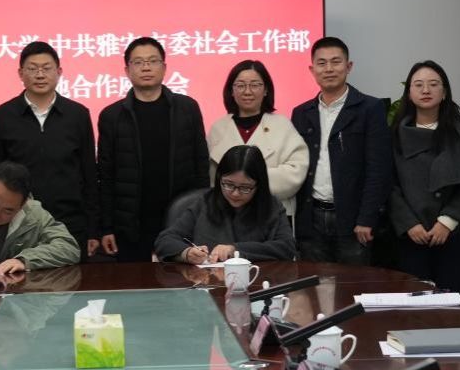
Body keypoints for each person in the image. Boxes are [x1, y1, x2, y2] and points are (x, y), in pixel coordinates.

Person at [98, 36, 209, 262]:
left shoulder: (187, 108)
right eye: (138, 62)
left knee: (181, 281)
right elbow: (106, 176)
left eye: (152, 61)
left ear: (164, 67)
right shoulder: (112, 116)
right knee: (133, 281)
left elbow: (201, 166)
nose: (146, 67)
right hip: (130, 223)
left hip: (180, 220)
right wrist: (106, 227)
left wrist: (202, 217)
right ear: (127, 70)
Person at [0, 41, 98, 261]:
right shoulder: (2, 116)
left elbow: (89, 174)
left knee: (73, 281)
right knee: (18, 279)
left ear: (59, 72)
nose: (40, 75)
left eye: (46, 68)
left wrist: (93, 228)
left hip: (70, 222)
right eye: (32, 68)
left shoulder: (77, 114)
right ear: (21, 73)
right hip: (19, 223)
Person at [290, 36, 391, 264]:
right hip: (312, 220)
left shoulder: (370, 108)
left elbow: (379, 169)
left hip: (353, 220)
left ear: (349, 66)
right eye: (322, 63)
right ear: (312, 69)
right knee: (314, 283)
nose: (329, 69)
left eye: (336, 62)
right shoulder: (301, 112)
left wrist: (367, 218)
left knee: (353, 283)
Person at [389, 61, 460, 297]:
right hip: (411, 236)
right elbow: (388, 185)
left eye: (433, 84)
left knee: (452, 304)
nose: (426, 90)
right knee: (414, 307)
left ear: (444, 92)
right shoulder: (394, 134)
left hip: (455, 233)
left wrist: (447, 221)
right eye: (418, 85)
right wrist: (409, 224)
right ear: (409, 93)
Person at [154, 144, 296, 262]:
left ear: (259, 185)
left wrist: (236, 250)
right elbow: (165, 240)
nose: (235, 193)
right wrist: (186, 253)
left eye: (245, 188)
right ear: (218, 179)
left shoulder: (271, 206)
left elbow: (287, 247)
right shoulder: (204, 202)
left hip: (255, 281)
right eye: (228, 184)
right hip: (205, 282)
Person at [206, 59, 308, 216]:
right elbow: (210, 177)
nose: (247, 92)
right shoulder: (218, 128)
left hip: (271, 213)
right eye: (240, 85)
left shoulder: (282, 125)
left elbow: (296, 172)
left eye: (255, 85)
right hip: (226, 214)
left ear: (266, 89)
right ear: (231, 90)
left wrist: (249, 182)